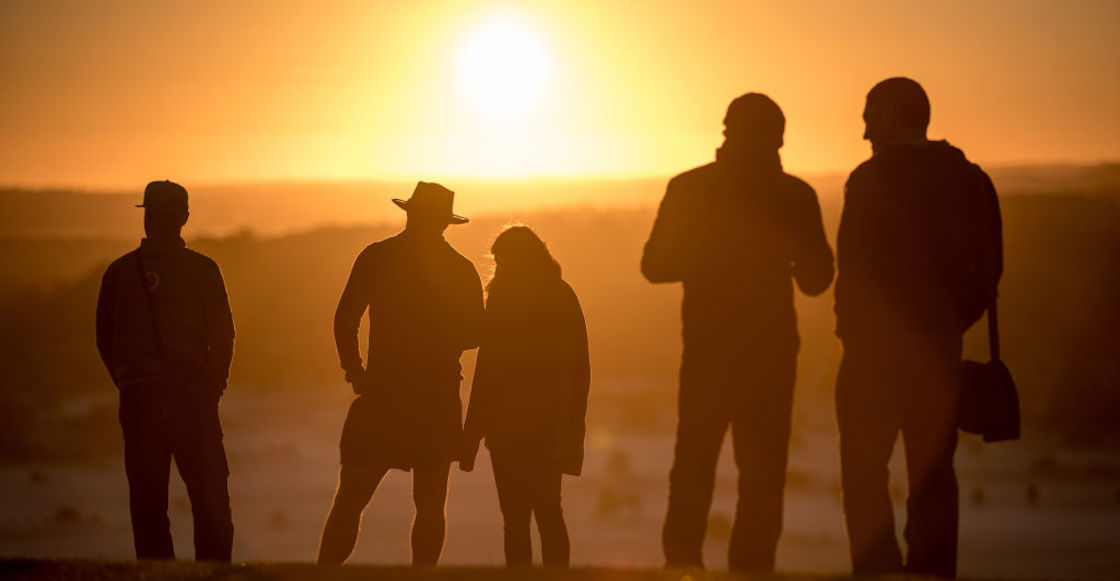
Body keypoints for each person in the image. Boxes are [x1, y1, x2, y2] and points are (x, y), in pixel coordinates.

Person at [641, 93, 835, 571]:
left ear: (726, 131)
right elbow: (815, 282)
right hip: (771, 353)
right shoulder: (795, 196)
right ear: (779, 137)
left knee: (694, 463)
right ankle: (751, 570)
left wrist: (709, 257)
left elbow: (654, 266)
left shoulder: (689, 189)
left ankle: (682, 563)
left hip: (707, 348)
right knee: (763, 473)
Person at [834, 77, 1003, 577]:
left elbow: (853, 271)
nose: (864, 129)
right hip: (938, 350)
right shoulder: (969, 180)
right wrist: (947, 326)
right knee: (932, 474)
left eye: (869, 115)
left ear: (889, 114)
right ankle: (929, 572)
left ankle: (878, 569)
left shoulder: (868, 181)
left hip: (872, 353)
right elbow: (987, 273)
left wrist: (855, 333)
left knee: (863, 472)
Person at [318, 181, 484, 566]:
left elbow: (345, 320)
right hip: (436, 396)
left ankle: (323, 575)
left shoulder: (379, 256)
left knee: (351, 498)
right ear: (446, 223)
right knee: (429, 504)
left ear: (410, 213)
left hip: (383, 393)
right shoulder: (461, 269)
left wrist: (355, 372)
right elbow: (477, 334)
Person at [95, 180, 235, 561]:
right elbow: (223, 336)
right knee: (211, 503)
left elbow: (105, 340)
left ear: (148, 217)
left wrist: (129, 382)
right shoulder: (204, 270)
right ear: (184, 219)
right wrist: (212, 389)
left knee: (148, 505)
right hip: (192, 397)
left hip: (139, 400)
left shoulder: (119, 273)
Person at [461, 225, 590, 568]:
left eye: (502, 260)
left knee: (516, 519)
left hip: (508, 431)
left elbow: (486, 375)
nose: (499, 267)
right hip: (550, 427)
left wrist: (471, 437)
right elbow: (581, 372)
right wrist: (573, 427)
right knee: (549, 512)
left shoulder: (504, 301)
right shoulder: (563, 295)